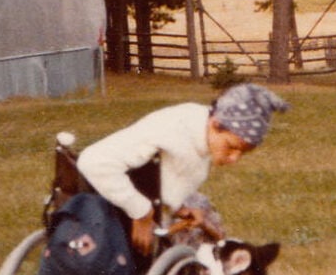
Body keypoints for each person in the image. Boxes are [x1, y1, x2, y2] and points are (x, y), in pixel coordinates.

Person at [76, 82, 290, 254]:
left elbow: (162, 176)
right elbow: (92, 161)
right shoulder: (173, 130)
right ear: (216, 124)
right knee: (210, 239)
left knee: (205, 214)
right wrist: (141, 212)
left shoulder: (202, 130)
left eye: (243, 153)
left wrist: (178, 207)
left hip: (146, 200)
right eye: (232, 147)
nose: (234, 159)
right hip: (115, 209)